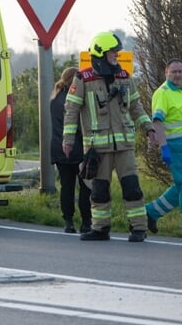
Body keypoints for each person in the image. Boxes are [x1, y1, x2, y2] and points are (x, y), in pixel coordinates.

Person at [63, 31, 157, 242]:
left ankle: (139, 229)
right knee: (99, 190)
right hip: (97, 148)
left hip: (124, 146)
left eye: (116, 52)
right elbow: (71, 111)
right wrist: (68, 141)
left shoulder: (124, 77)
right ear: (100, 53)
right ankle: (100, 229)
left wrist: (148, 127)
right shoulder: (83, 78)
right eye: (112, 52)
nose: (116, 55)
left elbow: (136, 106)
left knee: (132, 187)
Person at [50, 66, 92, 234]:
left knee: (66, 187)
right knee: (85, 186)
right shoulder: (76, 98)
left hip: (59, 149)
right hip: (78, 148)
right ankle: (86, 222)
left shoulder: (54, 98)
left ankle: (68, 222)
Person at [144, 58, 182, 233]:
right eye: (174, 71)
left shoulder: (180, 91)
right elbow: (157, 121)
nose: (178, 75)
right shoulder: (163, 92)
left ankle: (150, 212)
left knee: (179, 186)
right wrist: (164, 147)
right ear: (166, 72)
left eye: (180, 72)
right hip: (175, 146)